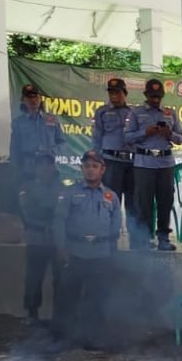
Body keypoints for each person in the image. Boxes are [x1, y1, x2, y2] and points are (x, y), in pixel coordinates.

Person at [54, 149, 122, 349]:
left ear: (102, 169)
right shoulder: (69, 193)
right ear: (81, 168)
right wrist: (61, 247)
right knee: (68, 297)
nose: (90, 170)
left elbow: (115, 227)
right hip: (75, 253)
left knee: (97, 299)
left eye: (94, 166)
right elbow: (59, 221)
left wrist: (112, 252)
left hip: (101, 254)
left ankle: (93, 338)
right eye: (86, 166)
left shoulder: (111, 196)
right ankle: (65, 338)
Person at [125, 77, 182, 250]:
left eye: (158, 96)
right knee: (144, 202)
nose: (155, 99)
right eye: (152, 96)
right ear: (146, 95)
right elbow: (127, 137)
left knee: (166, 200)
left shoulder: (170, 113)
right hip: (144, 162)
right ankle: (145, 238)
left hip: (165, 162)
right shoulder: (136, 113)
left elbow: (180, 138)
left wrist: (169, 134)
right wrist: (145, 132)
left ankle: (163, 237)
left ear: (162, 95)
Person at [18, 153, 62, 326]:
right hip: (36, 239)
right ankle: (32, 313)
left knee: (60, 279)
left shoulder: (63, 188)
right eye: (41, 164)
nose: (45, 168)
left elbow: (64, 211)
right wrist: (50, 215)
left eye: (48, 164)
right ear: (35, 168)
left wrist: (50, 214)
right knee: (34, 279)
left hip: (57, 240)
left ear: (54, 167)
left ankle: (60, 315)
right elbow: (28, 212)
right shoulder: (27, 188)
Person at [91, 77, 135, 235]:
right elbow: (96, 138)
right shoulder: (102, 112)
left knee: (132, 202)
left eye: (117, 92)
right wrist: (98, 162)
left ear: (125, 93)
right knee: (110, 200)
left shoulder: (133, 112)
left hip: (131, 162)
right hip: (111, 162)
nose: (114, 96)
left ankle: (136, 237)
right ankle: (109, 236)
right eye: (111, 93)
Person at [10, 83, 61, 181]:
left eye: (35, 96)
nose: (33, 100)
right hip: (28, 170)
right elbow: (14, 150)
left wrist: (52, 152)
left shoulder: (51, 119)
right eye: (29, 97)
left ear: (40, 98)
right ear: (23, 100)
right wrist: (17, 172)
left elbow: (62, 142)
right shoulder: (18, 123)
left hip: (50, 169)